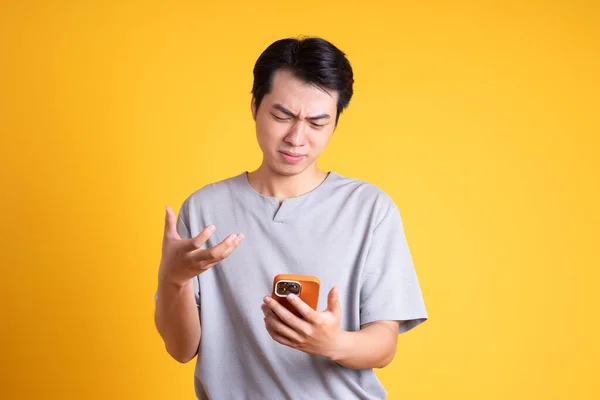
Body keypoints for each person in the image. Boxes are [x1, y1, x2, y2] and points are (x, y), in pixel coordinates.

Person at [154, 36, 428, 400]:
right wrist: (172, 280)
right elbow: (181, 349)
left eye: (317, 123)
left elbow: (384, 346)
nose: (297, 137)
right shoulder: (204, 209)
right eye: (282, 116)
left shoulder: (370, 209)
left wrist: (333, 342)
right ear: (255, 106)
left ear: (335, 122)